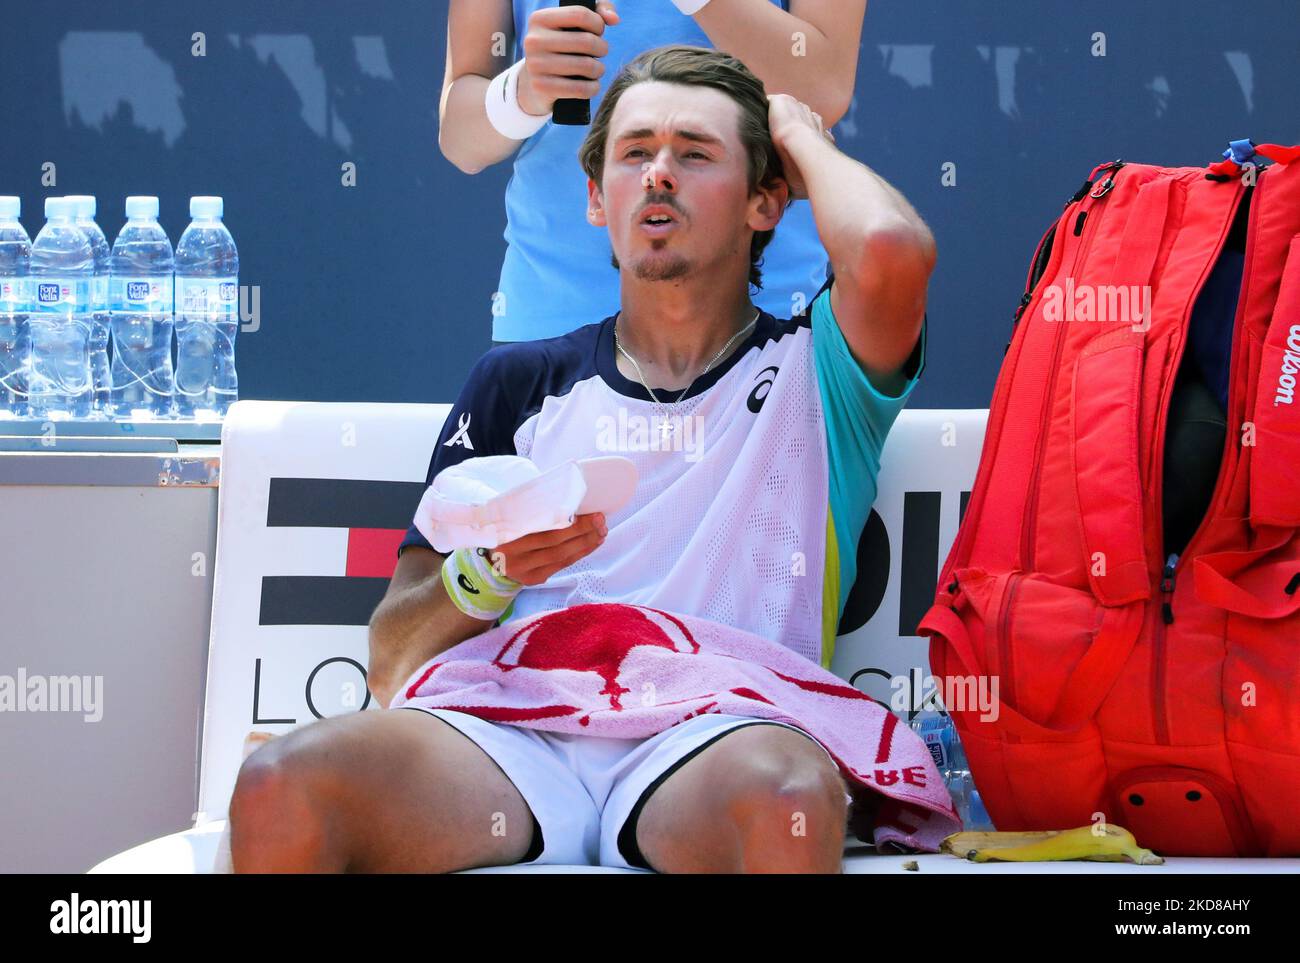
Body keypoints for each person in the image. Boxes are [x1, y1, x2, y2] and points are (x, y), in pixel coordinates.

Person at [230, 45, 932, 874]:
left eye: (696, 153)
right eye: (635, 154)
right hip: (510, 736)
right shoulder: (517, 380)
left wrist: (796, 134)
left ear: (766, 200)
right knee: (280, 782)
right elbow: (392, 660)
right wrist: (486, 576)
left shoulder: (822, 372)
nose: (658, 175)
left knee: (787, 802)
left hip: (716, 740)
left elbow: (890, 248)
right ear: (597, 199)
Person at [440, 0, 867, 343]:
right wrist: (524, 90)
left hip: (757, 323)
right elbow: (461, 140)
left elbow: (821, 92)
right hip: (551, 323)